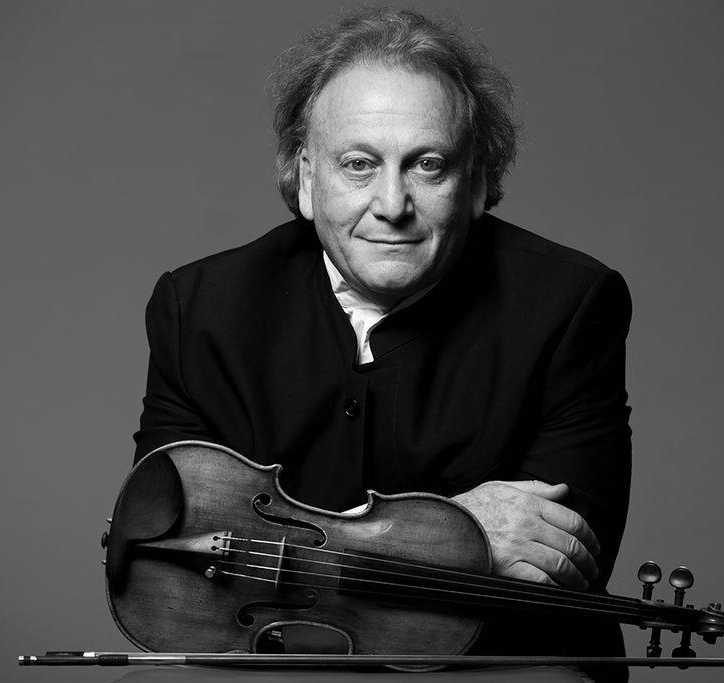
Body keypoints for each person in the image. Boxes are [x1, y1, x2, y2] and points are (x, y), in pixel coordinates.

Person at [134, 7, 631, 681]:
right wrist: (457, 537)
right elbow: (160, 550)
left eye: (428, 165)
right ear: (308, 180)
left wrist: (286, 551)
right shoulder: (198, 308)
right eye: (358, 164)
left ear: (477, 182)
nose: (392, 203)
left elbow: (558, 563)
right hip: (272, 667)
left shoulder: (572, 304)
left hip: (497, 672)